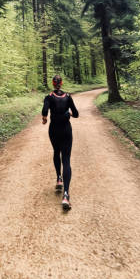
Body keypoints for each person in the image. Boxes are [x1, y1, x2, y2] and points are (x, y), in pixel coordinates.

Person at [42, 74, 79, 210]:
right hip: (66, 130)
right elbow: (76, 114)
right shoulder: (68, 97)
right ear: (61, 84)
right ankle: (66, 195)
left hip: (54, 130)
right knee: (66, 160)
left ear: (53, 83)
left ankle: (58, 178)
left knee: (56, 152)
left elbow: (45, 111)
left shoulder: (49, 97)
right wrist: (68, 113)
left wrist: (45, 118)